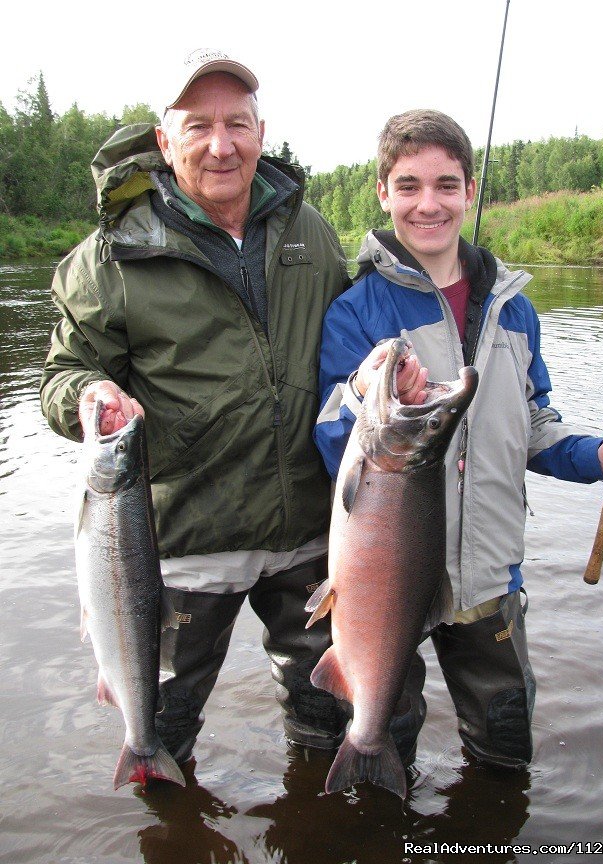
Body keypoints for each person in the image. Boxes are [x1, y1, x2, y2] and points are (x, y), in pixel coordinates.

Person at [40, 49, 352, 768]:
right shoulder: (107, 259)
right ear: (162, 140)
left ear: (261, 131)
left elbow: (350, 343)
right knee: (159, 732)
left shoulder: (312, 232)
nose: (222, 145)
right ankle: (159, 810)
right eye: (199, 126)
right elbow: (62, 375)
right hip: (180, 544)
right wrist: (88, 394)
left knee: (328, 722)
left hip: (308, 533)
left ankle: (321, 824)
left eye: (237, 124)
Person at [314, 109, 603, 771]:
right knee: (384, 732)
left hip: (491, 576)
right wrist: (365, 390)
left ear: (470, 192)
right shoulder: (357, 308)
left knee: (505, 754)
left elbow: (536, 428)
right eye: (408, 186)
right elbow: (329, 437)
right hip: (387, 584)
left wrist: (596, 458)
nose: (428, 204)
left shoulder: (514, 308)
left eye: (446, 185)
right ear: (383, 194)